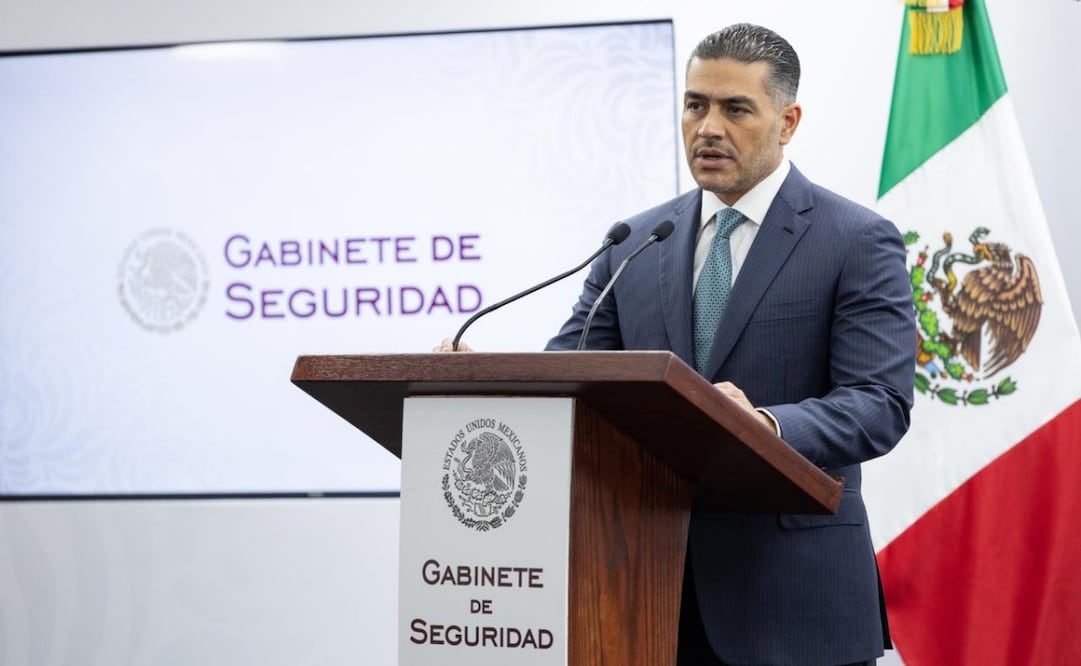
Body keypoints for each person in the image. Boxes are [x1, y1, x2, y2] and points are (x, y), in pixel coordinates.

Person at [438, 22, 913, 666]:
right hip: (639, 594)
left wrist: (765, 425)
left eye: (735, 108)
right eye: (695, 105)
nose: (708, 127)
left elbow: (879, 402)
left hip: (793, 600)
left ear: (788, 120)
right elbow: (570, 374)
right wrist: (482, 380)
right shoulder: (635, 240)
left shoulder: (855, 239)